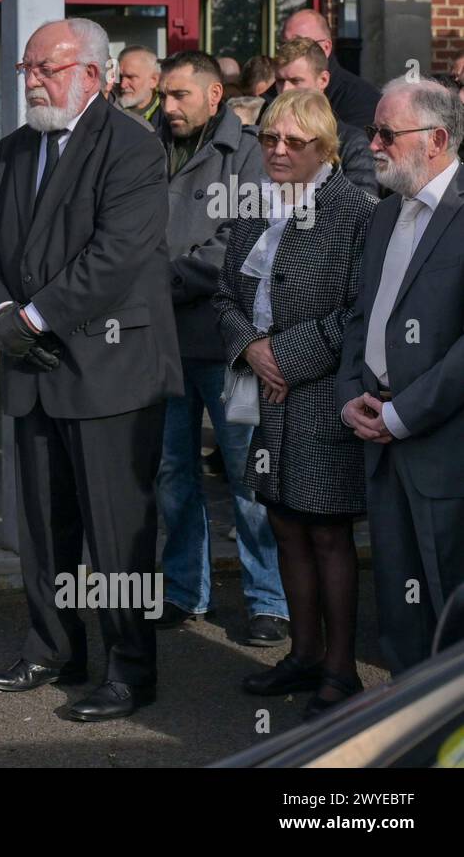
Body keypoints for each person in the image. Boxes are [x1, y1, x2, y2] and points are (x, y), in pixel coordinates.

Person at [0, 18, 182, 721]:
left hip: (110, 369)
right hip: (34, 371)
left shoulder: (132, 147)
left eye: (46, 69)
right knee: (43, 522)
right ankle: (52, 647)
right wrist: (1, 307)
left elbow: (117, 255)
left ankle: (130, 670)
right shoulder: (13, 149)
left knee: (118, 533)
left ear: (93, 75)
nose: (32, 80)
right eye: (28, 68)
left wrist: (31, 319)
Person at [215, 88, 376, 719]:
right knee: (281, 520)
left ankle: (341, 670)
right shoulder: (255, 207)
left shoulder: (353, 212)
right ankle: (304, 654)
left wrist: (288, 356)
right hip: (263, 396)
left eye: (293, 141)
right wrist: (254, 350)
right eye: (268, 138)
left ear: (325, 147)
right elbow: (225, 295)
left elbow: (360, 312)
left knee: (327, 531)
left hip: (320, 396)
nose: (277, 151)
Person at [153, 51, 288, 643]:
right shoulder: (148, 146)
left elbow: (242, 240)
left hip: (230, 345)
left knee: (247, 477)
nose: (168, 106)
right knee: (172, 474)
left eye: (179, 94)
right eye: (163, 94)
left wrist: (159, 280)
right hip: (162, 347)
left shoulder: (252, 151)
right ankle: (185, 589)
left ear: (214, 96)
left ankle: (270, 599)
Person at [338, 77, 464, 675]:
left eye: (387, 134)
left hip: (445, 449)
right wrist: (350, 399)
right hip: (379, 441)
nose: (375, 146)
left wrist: (402, 413)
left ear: (436, 139)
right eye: (373, 132)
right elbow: (363, 317)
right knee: (398, 603)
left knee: (450, 607)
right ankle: (405, 727)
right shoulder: (386, 215)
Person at [273, 37, 379, 195]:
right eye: (280, 81)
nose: (285, 90)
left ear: (323, 80)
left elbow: (360, 213)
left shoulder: (353, 145)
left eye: (296, 81)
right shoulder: (267, 140)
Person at [281, 9, 381, 128]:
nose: (285, 89)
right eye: (284, 44)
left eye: (300, 45)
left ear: (326, 47)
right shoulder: (273, 93)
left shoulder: (361, 99)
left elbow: (352, 144)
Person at [116, 44, 165, 131]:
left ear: (153, 80)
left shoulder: (168, 117)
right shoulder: (108, 111)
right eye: (120, 77)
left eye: (131, 77)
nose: (123, 84)